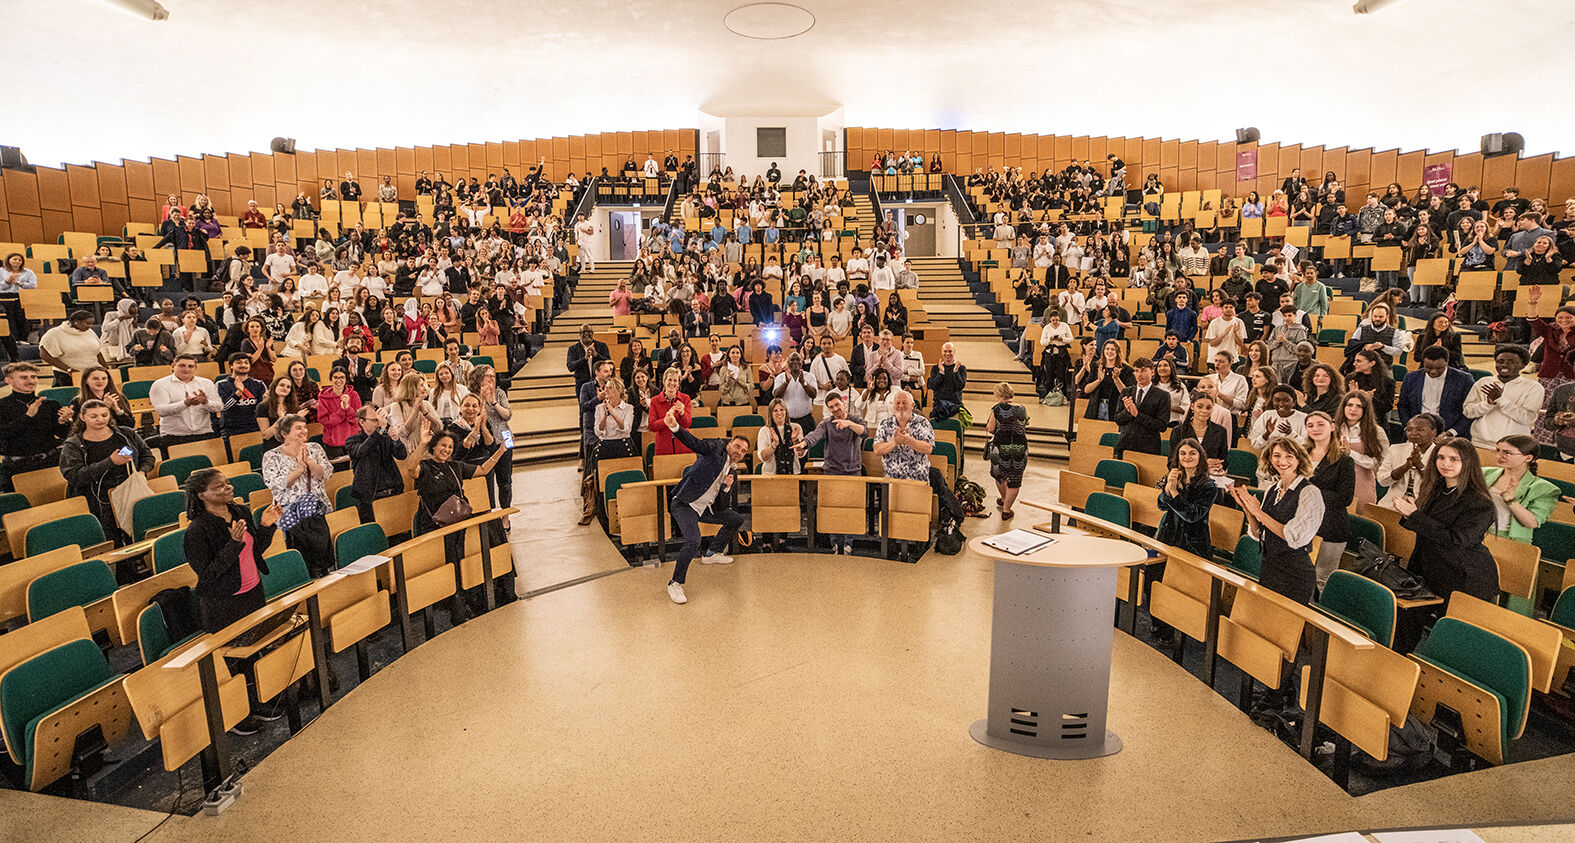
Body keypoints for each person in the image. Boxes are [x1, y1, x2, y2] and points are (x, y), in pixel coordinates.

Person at [413, 428, 508, 616]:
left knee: (493, 529)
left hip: (459, 519)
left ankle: (498, 590)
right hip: (437, 524)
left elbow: (482, 470)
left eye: (450, 447)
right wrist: (422, 443)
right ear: (434, 446)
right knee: (455, 547)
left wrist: (501, 450)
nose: (447, 449)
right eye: (443, 446)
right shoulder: (424, 467)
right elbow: (410, 469)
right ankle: (457, 603)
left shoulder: (455, 466)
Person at [659, 411, 749, 605]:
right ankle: (675, 583)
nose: (739, 452)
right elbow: (695, 443)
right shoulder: (715, 449)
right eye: (737, 447)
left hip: (706, 508)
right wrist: (675, 427)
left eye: (743, 452)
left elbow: (721, 506)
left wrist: (726, 487)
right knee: (693, 540)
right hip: (685, 504)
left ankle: (711, 554)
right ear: (729, 444)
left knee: (736, 519)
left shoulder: (732, 471)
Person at [1392, 438, 1497, 604]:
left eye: (1454, 459)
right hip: (1428, 568)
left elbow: (1457, 540)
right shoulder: (1437, 490)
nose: (1445, 463)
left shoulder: (1480, 502)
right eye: (1440, 457)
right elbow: (1426, 528)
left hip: (1463, 576)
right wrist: (1409, 514)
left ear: (1468, 462)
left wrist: (1415, 515)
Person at [183, 468, 282, 639]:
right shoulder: (197, 530)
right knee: (239, 659)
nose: (228, 488)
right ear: (202, 495)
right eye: (219, 486)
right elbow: (207, 576)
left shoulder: (241, 512)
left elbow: (255, 550)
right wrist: (234, 545)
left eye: (227, 483)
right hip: (225, 603)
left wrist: (266, 526)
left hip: (254, 592)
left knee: (263, 648)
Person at [1227, 437, 1323, 604]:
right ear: (1270, 460)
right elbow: (1260, 534)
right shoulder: (1272, 489)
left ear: (1299, 459)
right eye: (1277, 456)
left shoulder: (1310, 493)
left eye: (1289, 456)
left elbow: (1293, 537)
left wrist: (1258, 512)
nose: (1282, 461)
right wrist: (1247, 509)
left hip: (1295, 575)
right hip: (1270, 568)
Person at [59, 399, 156, 544]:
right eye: (94, 416)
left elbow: (147, 456)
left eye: (104, 415)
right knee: (113, 542)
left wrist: (142, 472)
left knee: (138, 537)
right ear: (82, 417)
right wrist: (110, 462)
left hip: (129, 492)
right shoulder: (73, 444)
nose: (100, 420)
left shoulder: (126, 433)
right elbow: (74, 476)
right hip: (99, 502)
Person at [1153, 438, 1218, 641]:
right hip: (1168, 535)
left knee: (1180, 587)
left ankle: (1175, 630)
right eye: (1183, 453)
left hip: (1192, 542)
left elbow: (1192, 515)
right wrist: (1168, 488)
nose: (1187, 457)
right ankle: (1158, 622)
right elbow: (1161, 506)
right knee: (1156, 577)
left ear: (1200, 457)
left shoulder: (1208, 486)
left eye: (1192, 453)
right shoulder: (1174, 476)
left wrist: (1173, 491)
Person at [874, 391, 966, 525]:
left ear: (912, 405)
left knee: (917, 523)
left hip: (918, 480)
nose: (901, 406)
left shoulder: (922, 422)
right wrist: (894, 442)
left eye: (904, 403)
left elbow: (928, 448)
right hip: (892, 482)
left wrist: (909, 441)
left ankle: (918, 545)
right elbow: (877, 450)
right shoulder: (885, 424)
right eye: (898, 403)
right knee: (893, 523)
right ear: (893, 405)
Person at [262, 415, 335, 578]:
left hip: (316, 513)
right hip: (291, 516)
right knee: (303, 561)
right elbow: (275, 484)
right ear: (285, 433)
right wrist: (299, 469)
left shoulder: (314, 448)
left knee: (323, 559)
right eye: (299, 428)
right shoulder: (271, 456)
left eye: (305, 426)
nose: (304, 431)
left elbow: (327, 473)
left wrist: (308, 461)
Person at [1302, 412, 1355, 590]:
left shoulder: (1344, 461)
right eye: (1310, 425)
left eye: (1320, 424)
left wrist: (1308, 492)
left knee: (1322, 578)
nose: (1315, 429)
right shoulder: (1300, 454)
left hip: (1331, 525)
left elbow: (1344, 498)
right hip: (1303, 522)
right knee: (1302, 574)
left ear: (1332, 426)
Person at [0, 363, 73, 491]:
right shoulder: (2, 406)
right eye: (23, 377)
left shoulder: (49, 404)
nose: (30, 381)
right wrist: (28, 417)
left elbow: (64, 434)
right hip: (18, 467)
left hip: (51, 462)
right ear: (8, 381)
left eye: (33, 377)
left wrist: (63, 422)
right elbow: (3, 434)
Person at [1482, 434, 1560, 543]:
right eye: (1498, 450)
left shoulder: (1545, 488)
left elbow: (1532, 523)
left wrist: (1510, 500)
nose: (1500, 455)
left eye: (1507, 453)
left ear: (1528, 458)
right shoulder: (1484, 472)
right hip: (1477, 531)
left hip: (1509, 540)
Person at [1462, 345, 1543, 448]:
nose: (1504, 365)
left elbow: (1527, 418)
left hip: (1515, 445)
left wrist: (1501, 400)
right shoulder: (1483, 382)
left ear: (1523, 365)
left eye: (1511, 362)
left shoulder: (1533, 387)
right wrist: (1488, 404)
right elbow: (1468, 412)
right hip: (1480, 443)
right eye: (1500, 361)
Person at [345, 405, 409, 523]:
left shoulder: (384, 435)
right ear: (362, 422)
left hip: (393, 490)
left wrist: (396, 440)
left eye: (379, 419)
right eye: (375, 420)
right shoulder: (352, 441)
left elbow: (402, 455)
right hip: (370, 497)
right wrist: (381, 429)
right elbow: (363, 450)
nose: (378, 422)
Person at [1399, 346, 1474, 438]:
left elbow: (1470, 411)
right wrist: (1410, 428)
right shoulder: (1411, 378)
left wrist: (1451, 432)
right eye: (1428, 367)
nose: (1433, 371)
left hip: (1451, 433)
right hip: (1417, 432)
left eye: (1439, 368)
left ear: (1447, 362)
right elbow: (1403, 406)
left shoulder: (1463, 380)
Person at [150, 355, 221, 449]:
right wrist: (185, 403)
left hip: (204, 433)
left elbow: (219, 406)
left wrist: (205, 402)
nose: (186, 369)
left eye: (190, 366)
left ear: (195, 368)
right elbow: (161, 410)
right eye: (182, 365)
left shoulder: (206, 383)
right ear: (173, 366)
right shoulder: (160, 384)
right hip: (174, 436)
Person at [986, 383, 1029, 519]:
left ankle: (1004, 498)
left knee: (1000, 474)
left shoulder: (997, 409)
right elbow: (1026, 423)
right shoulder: (1022, 408)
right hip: (1019, 446)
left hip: (1000, 445)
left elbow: (990, 428)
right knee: (1015, 478)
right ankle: (1006, 509)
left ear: (998, 395)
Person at [1113, 358, 1170, 457]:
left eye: (1143, 370)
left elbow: (1162, 426)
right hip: (1126, 445)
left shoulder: (1163, 395)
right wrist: (1127, 412)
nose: (1139, 374)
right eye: (1136, 371)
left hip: (1149, 447)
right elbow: (1117, 419)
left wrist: (1137, 415)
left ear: (1152, 372)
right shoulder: (1126, 392)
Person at [39, 310, 104, 386]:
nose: (90, 326)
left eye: (92, 324)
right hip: (67, 375)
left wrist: (106, 368)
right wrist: (69, 370)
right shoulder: (55, 333)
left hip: (92, 373)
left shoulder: (89, 332)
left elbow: (97, 352)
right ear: (76, 322)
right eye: (87, 323)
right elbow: (44, 355)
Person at [316, 368, 361, 460]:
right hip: (333, 442)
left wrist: (348, 408)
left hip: (352, 439)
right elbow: (325, 420)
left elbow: (358, 419)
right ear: (331, 379)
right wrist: (341, 410)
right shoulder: (323, 397)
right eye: (335, 377)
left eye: (342, 377)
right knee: (339, 472)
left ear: (346, 379)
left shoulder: (354, 395)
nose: (339, 380)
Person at [649, 367, 693, 455]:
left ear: (678, 383)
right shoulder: (655, 401)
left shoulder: (685, 398)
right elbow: (652, 426)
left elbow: (687, 424)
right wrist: (665, 421)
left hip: (683, 445)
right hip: (663, 446)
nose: (672, 383)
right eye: (669, 379)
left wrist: (682, 413)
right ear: (664, 381)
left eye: (675, 380)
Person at [771, 351, 819, 432]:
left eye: (798, 360)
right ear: (788, 363)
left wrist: (803, 382)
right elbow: (776, 396)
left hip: (806, 420)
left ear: (802, 363)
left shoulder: (810, 376)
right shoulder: (780, 377)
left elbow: (813, 394)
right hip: (787, 420)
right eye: (792, 360)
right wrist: (786, 383)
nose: (795, 362)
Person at [1249, 385, 1307, 450]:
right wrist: (1266, 434)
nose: (1281, 404)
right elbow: (1254, 445)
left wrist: (1291, 433)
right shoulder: (1266, 415)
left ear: (1293, 402)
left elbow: (1306, 446)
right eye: (1277, 400)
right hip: (1269, 457)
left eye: (1286, 400)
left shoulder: (1304, 418)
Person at [756, 398, 803, 476]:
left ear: (786, 412)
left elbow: (801, 453)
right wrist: (773, 445)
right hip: (770, 475)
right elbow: (763, 457)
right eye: (775, 410)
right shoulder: (764, 431)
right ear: (771, 413)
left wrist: (795, 441)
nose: (779, 413)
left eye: (782, 410)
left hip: (793, 474)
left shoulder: (795, 427)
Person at [927, 342, 968, 422]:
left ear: (954, 351)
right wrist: (941, 373)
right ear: (942, 352)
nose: (947, 354)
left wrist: (955, 372)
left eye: (950, 351)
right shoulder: (936, 368)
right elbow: (933, 386)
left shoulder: (961, 368)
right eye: (945, 351)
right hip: (939, 405)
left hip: (955, 404)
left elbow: (960, 386)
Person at [565, 324, 610, 392]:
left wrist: (596, 355)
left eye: (589, 332)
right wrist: (584, 359)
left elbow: (608, 362)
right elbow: (570, 367)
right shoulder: (573, 349)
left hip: (601, 383)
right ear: (579, 334)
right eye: (583, 332)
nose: (586, 334)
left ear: (593, 333)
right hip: (582, 385)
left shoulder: (602, 346)